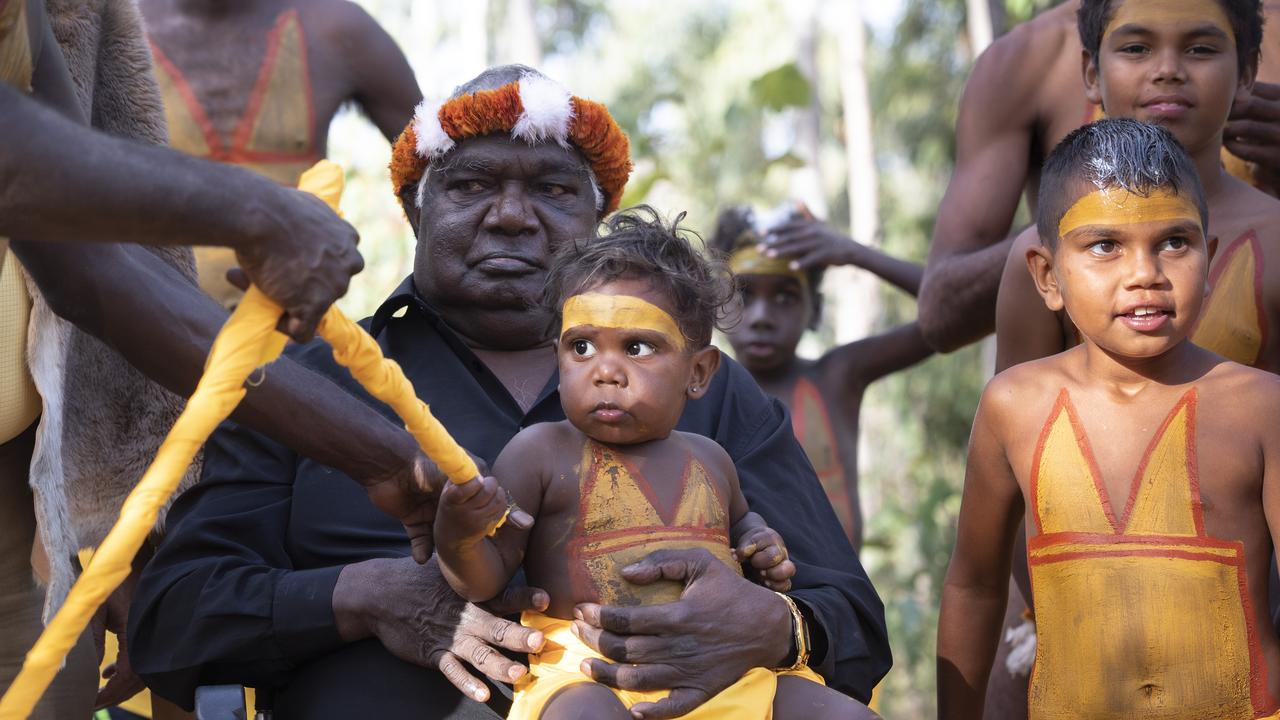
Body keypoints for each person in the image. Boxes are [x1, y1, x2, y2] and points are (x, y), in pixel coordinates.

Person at [129, 65, 891, 720]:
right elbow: (173, 619)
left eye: (553, 188)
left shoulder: (707, 390)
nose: (512, 215)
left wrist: (776, 626)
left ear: (598, 220)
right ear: (415, 206)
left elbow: (852, 617)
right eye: (472, 183)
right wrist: (363, 596)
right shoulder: (305, 381)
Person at [1, 1, 439, 715]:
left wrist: (384, 453)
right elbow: (25, 173)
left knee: (69, 688)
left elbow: (92, 271)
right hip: (100, 425)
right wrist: (257, 211)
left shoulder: (337, 31)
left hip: (240, 403)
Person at [433, 208, 877, 720]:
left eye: (638, 347)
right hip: (585, 670)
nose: (605, 371)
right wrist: (457, 534)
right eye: (581, 346)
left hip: (723, 669)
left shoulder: (712, 458)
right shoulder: (538, 453)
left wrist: (760, 543)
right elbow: (485, 579)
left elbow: (739, 524)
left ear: (699, 371)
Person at [939, 117, 1280, 719]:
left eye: (1175, 242)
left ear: (1211, 255)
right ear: (1048, 276)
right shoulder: (1015, 406)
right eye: (1105, 246)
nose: (1144, 273)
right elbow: (974, 587)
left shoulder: (1261, 406)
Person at [917, 0, 1280, 354]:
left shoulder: (1272, 236)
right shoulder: (1038, 253)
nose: (1168, 69)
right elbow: (1013, 405)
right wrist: (1062, 228)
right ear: (1092, 74)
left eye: (1200, 49)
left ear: (1246, 73)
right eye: (1137, 48)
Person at [139, 0, 422, 307]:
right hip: (145, 318)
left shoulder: (335, 26)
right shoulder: (112, 24)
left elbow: (440, 169)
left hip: (292, 326)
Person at [710, 205, 932, 550]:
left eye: (785, 296)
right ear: (717, 304)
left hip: (835, 603)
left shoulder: (837, 378)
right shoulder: (694, 391)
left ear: (815, 309)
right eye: (744, 294)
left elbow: (958, 313)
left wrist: (855, 253)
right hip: (737, 602)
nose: (762, 317)